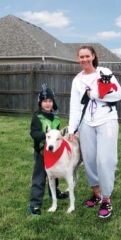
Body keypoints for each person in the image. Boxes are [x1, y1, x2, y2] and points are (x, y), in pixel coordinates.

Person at [68, 45, 121, 218]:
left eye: (87, 56)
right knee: (90, 160)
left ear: (93, 56)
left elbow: (118, 94)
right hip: (86, 123)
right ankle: (96, 193)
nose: (84, 59)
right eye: (81, 57)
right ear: (78, 59)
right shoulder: (77, 80)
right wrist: (72, 128)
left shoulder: (104, 72)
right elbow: (75, 106)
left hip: (106, 120)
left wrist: (94, 94)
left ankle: (106, 199)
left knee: (105, 160)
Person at [28, 83, 68, 216]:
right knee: (39, 177)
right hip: (41, 153)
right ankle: (34, 204)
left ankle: (53, 193)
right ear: (40, 103)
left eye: (50, 101)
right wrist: (45, 136)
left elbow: (59, 136)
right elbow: (33, 133)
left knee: (54, 174)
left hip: (55, 153)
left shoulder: (56, 118)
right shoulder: (37, 117)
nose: (47, 104)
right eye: (45, 101)